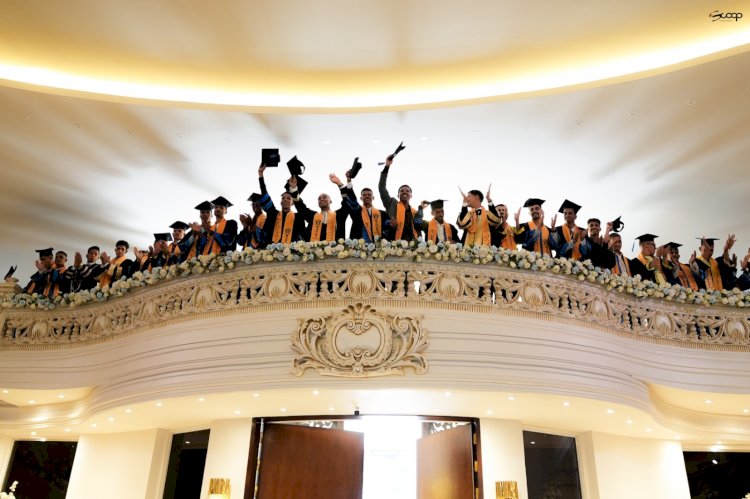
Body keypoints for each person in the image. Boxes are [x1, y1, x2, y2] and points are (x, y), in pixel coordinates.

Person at [257, 164, 306, 245]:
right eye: (283, 198)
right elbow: (264, 193)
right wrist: (261, 175)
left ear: (293, 203)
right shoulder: (273, 213)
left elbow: (302, 238)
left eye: (288, 198)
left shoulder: (298, 218)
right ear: (280, 201)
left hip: (290, 251)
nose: (285, 200)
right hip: (270, 251)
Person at [378, 154, 423, 241]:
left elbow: (418, 229)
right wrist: (387, 166)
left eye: (407, 191)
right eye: (402, 191)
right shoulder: (391, 203)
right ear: (398, 195)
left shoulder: (414, 212)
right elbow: (382, 188)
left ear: (411, 195)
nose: (404, 192)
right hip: (393, 244)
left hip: (412, 245)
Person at [337, 171, 389, 243]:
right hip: (358, 246)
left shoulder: (382, 213)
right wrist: (349, 182)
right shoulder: (356, 210)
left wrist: (391, 223)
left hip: (378, 246)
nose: (367, 196)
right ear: (361, 198)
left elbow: (388, 225)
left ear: (373, 197)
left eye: (369, 195)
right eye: (364, 195)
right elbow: (352, 199)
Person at [292, 175, 348, 242]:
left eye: (324, 197)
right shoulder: (312, 216)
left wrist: (339, 184)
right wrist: (294, 189)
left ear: (330, 201)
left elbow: (347, 202)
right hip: (313, 248)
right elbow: (301, 207)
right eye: (319, 198)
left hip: (337, 248)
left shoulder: (339, 215)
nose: (321, 199)